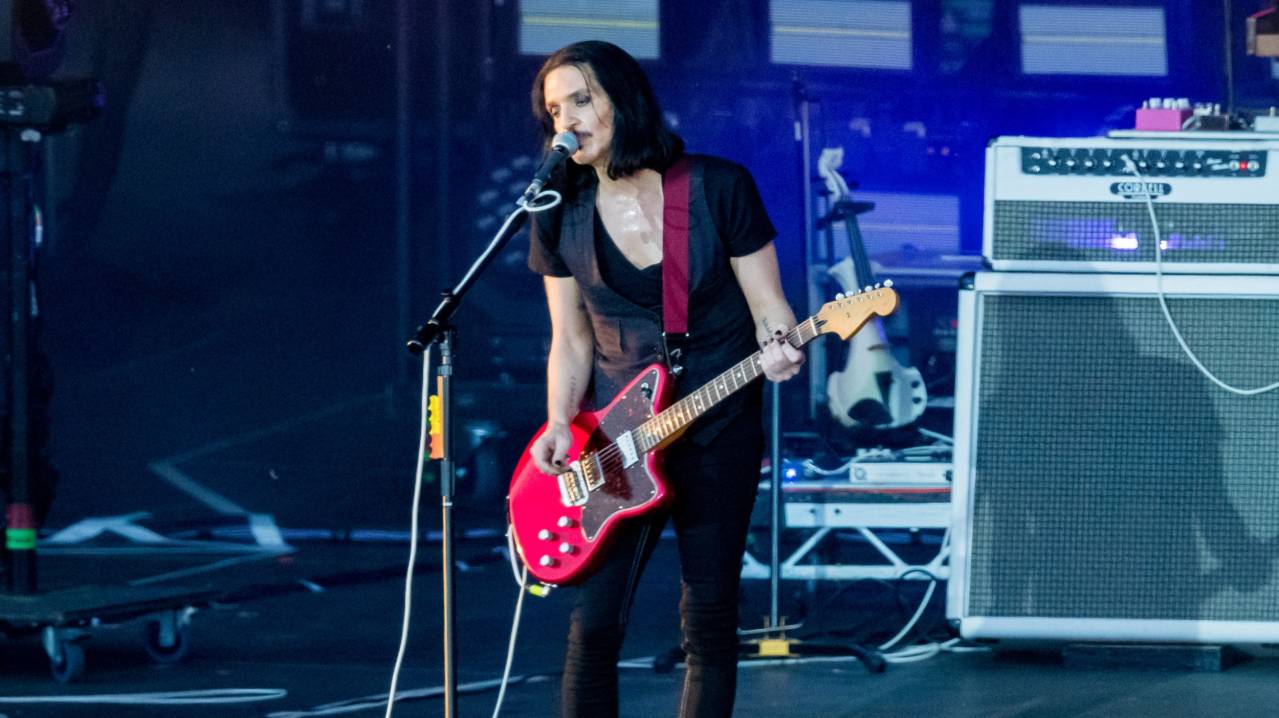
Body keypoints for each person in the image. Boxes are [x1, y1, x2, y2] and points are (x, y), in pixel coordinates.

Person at [525, 40, 805, 718]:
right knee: (594, 625)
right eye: (555, 110)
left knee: (708, 620)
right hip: (615, 443)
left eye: (582, 100)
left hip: (716, 425)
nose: (568, 122)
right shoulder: (557, 210)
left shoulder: (717, 187)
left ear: (624, 101)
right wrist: (559, 421)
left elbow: (770, 308)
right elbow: (570, 338)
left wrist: (781, 348)